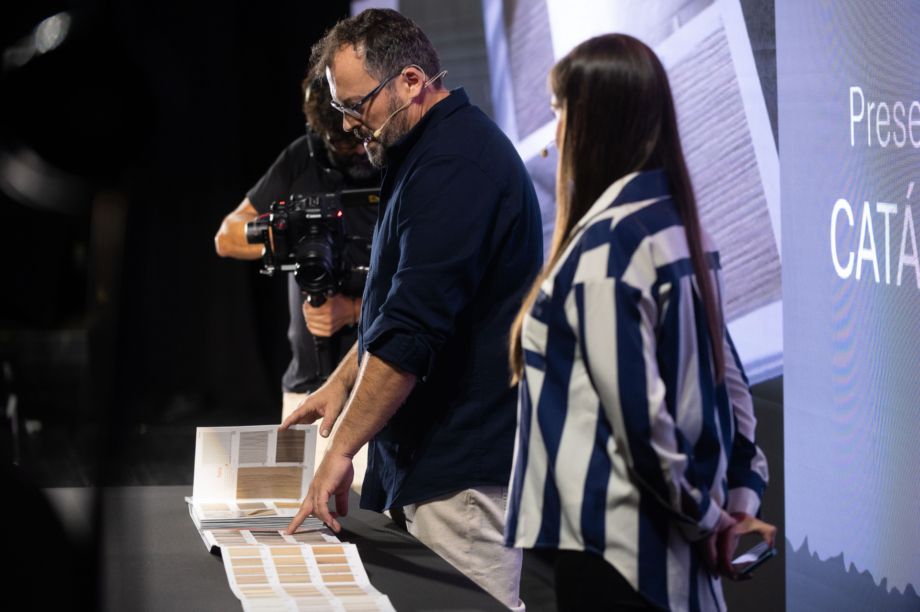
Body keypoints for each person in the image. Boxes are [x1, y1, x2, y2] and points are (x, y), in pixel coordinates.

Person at [281, 9, 542, 609]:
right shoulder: (423, 151)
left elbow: (412, 329)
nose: (350, 125)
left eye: (357, 105)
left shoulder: (456, 165)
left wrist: (340, 450)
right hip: (430, 466)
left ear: (411, 80)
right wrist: (343, 380)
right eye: (341, 108)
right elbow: (395, 305)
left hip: (463, 477)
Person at [504, 34, 774, 611]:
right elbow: (731, 388)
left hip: (616, 557)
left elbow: (641, 423)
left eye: (560, 112)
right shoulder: (677, 226)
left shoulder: (608, 246)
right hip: (660, 553)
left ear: (593, 122)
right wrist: (736, 503)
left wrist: (712, 519)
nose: (555, 135)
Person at [214, 77, 380, 485]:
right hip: (306, 385)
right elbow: (227, 237)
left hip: (377, 386)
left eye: (361, 136)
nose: (358, 149)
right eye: (343, 143)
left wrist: (354, 310)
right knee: (300, 510)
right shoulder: (300, 159)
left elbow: (426, 284)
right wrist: (292, 238)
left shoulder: (396, 160)